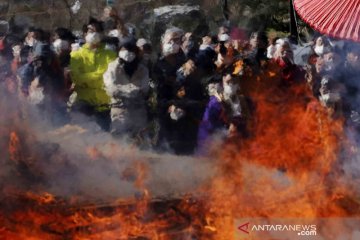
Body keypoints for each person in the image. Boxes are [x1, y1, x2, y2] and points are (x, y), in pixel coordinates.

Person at [69, 19, 117, 131]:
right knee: (79, 139)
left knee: (104, 141)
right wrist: (99, 75)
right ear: (85, 34)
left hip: (104, 105)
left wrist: (86, 77)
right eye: (91, 31)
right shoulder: (76, 55)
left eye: (98, 31)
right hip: (83, 104)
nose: (94, 34)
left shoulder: (110, 55)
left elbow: (111, 76)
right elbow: (76, 77)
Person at [103, 41, 150, 137]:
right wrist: (133, 90)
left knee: (141, 139)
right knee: (118, 139)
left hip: (138, 110)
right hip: (119, 108)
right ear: (119, 51)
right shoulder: (112, 67)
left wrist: (122, 89)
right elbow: (111, 89)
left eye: (130, 50)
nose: (127, 52)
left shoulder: (143, 69)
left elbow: (144, 89)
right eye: (124, 49)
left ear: (136, 53)